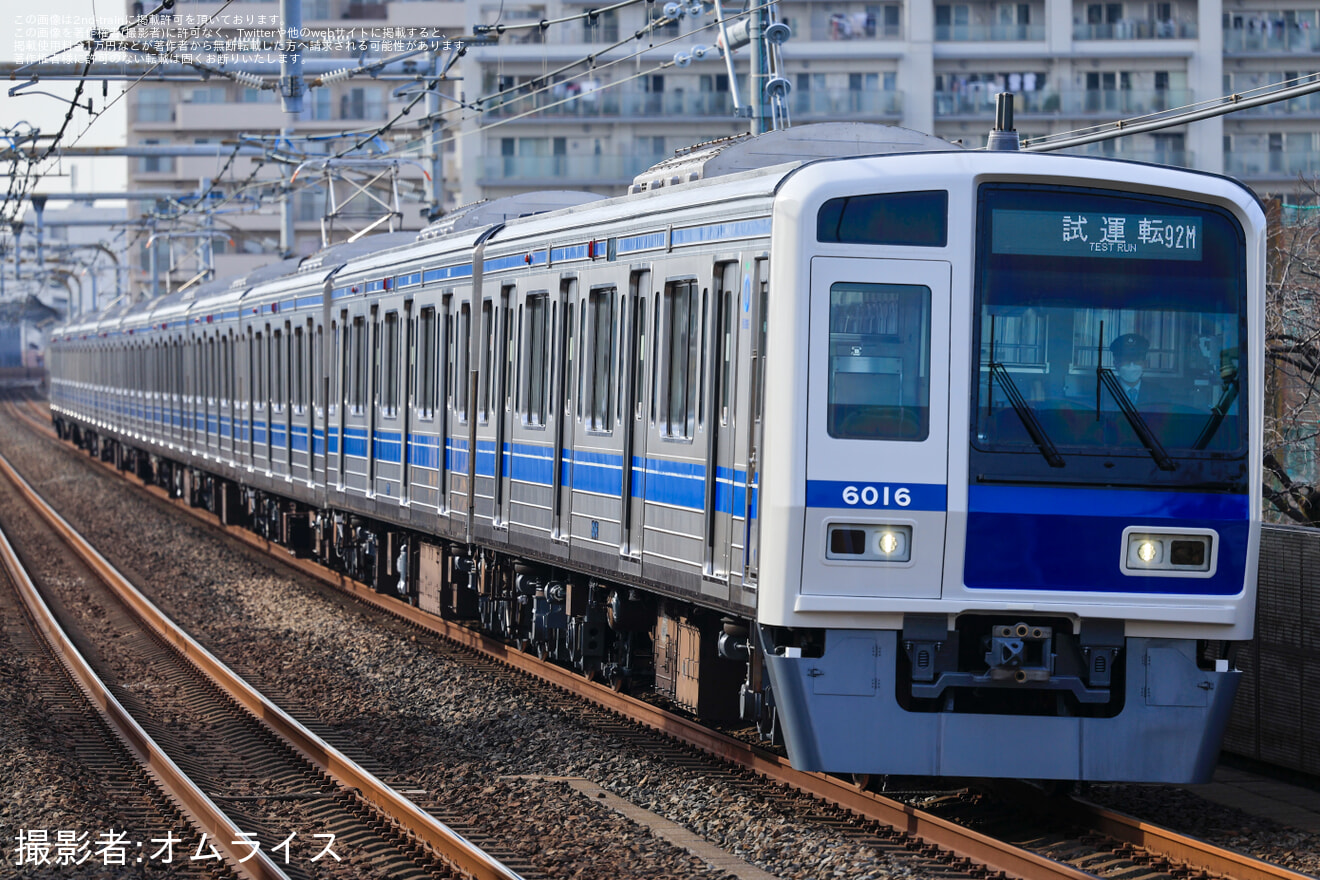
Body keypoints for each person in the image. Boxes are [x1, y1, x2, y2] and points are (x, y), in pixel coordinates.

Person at [1108, 332, 1173, 406]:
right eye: (1126, 361)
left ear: (1145, 364)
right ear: (1116, 364)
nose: (1131, 366)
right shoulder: (1104, 392)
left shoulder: (1160, 394)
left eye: (1136, 361)